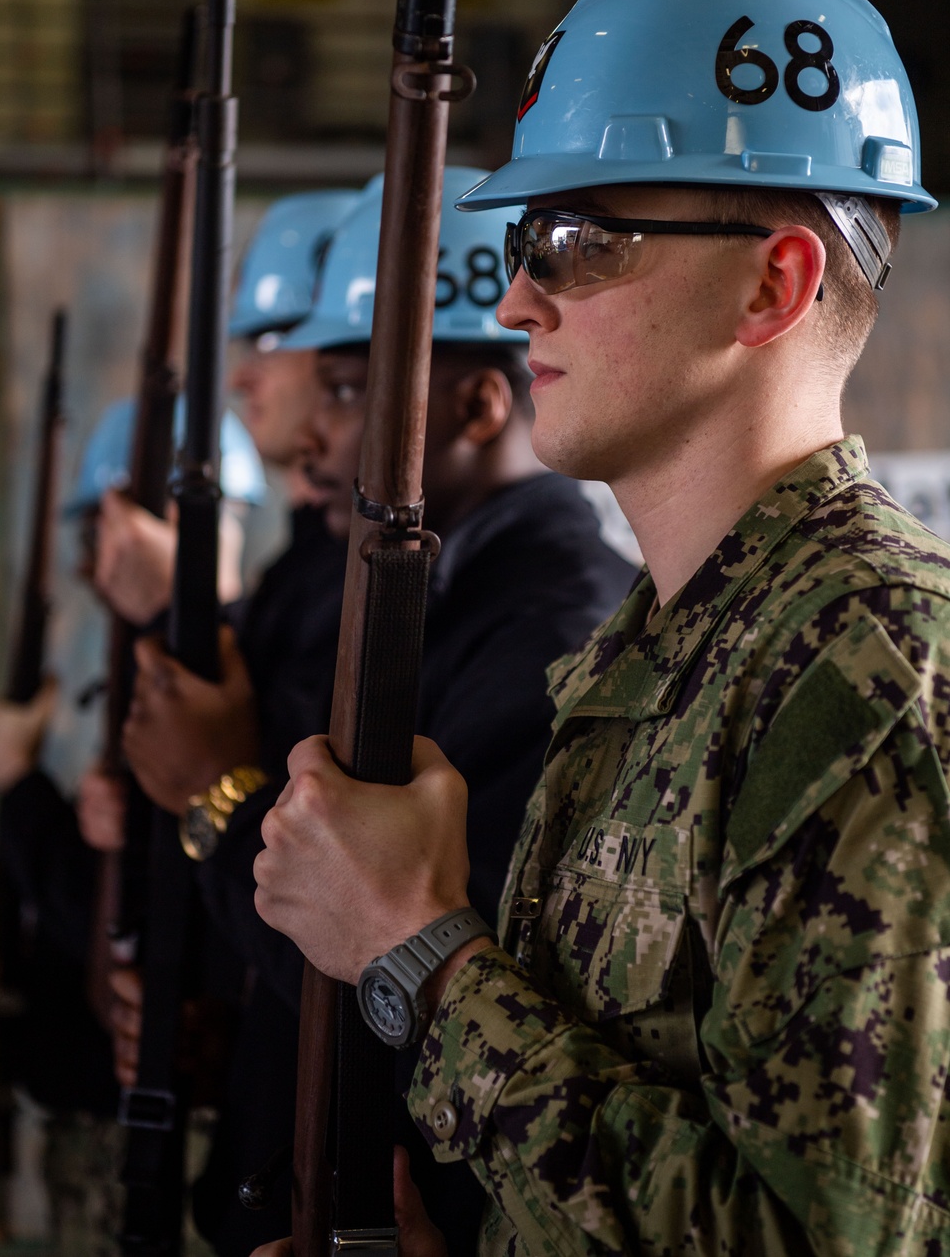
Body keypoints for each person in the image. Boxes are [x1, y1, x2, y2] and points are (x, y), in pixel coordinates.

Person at [251, 0, 950, 1254]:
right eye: (526, 240)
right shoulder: (661, 648)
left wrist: (424, 958)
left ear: (772, 285)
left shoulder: (866, 665)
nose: (518, 300)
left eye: (577, 240)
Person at [117, 169, 637, 1255]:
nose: (311, 420)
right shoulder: (437, 594)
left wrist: (215, 797)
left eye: (348, 388)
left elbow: (405, 997)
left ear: (478, 403)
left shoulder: (543, 633)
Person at [0, 399, 265, 1256]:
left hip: (150, 1120)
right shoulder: (190, 666)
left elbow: (126, 923)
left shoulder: (212, 688)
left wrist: (19, 788)